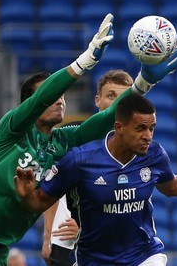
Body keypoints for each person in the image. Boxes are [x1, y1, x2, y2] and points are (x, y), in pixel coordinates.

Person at [0, 12, 177, 266]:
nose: (59, 99)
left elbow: (100, 123)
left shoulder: (63, 142)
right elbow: (42, 97)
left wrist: (141, 85)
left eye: (62, 97)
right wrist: (84, 62)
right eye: (52, 96)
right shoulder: (11, 131)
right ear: (30, 104)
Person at [14, 93, 177, 266]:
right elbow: (42, 200)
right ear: (120, 127)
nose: (148, 136)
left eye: (152, 128)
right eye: (140, 128)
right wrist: (26, 196)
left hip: (144, 256)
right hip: (93, 260)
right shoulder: (80, 160)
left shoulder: (153, 154)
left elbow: (174, 186)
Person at [41, 70, 133, 266]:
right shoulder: (72, 136)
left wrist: (86, 230)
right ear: (97, 100)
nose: (117, 103)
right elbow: (51, 188)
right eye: (111, 96)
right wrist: (48, 234)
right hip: (68, 234)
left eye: (124, 97)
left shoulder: (138, 147)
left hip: (114, 241)